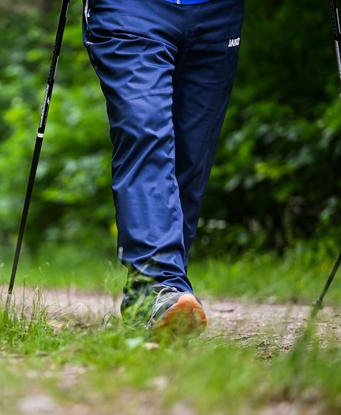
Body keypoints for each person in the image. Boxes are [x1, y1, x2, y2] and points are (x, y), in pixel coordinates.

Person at [83, 0, 244, 333]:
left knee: (192, 155)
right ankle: (160, 285)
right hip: (129, 10)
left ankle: (153, 298)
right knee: (145, 133)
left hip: (217, 12)